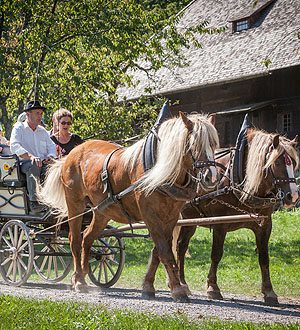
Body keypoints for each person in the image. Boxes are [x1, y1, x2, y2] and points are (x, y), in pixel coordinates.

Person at [10, 100, 57, 213]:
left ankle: (51, 201)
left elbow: (51, 147)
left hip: (40, 163)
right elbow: (14, 146)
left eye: (41, 113)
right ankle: (34, 202)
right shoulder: (19, 128)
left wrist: (50, 157)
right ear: (28, 114)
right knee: (35, 164)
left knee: (53, 169)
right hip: (23, 163)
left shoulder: (43, 131)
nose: (40, 116)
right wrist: (31, 156)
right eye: (37, 113)